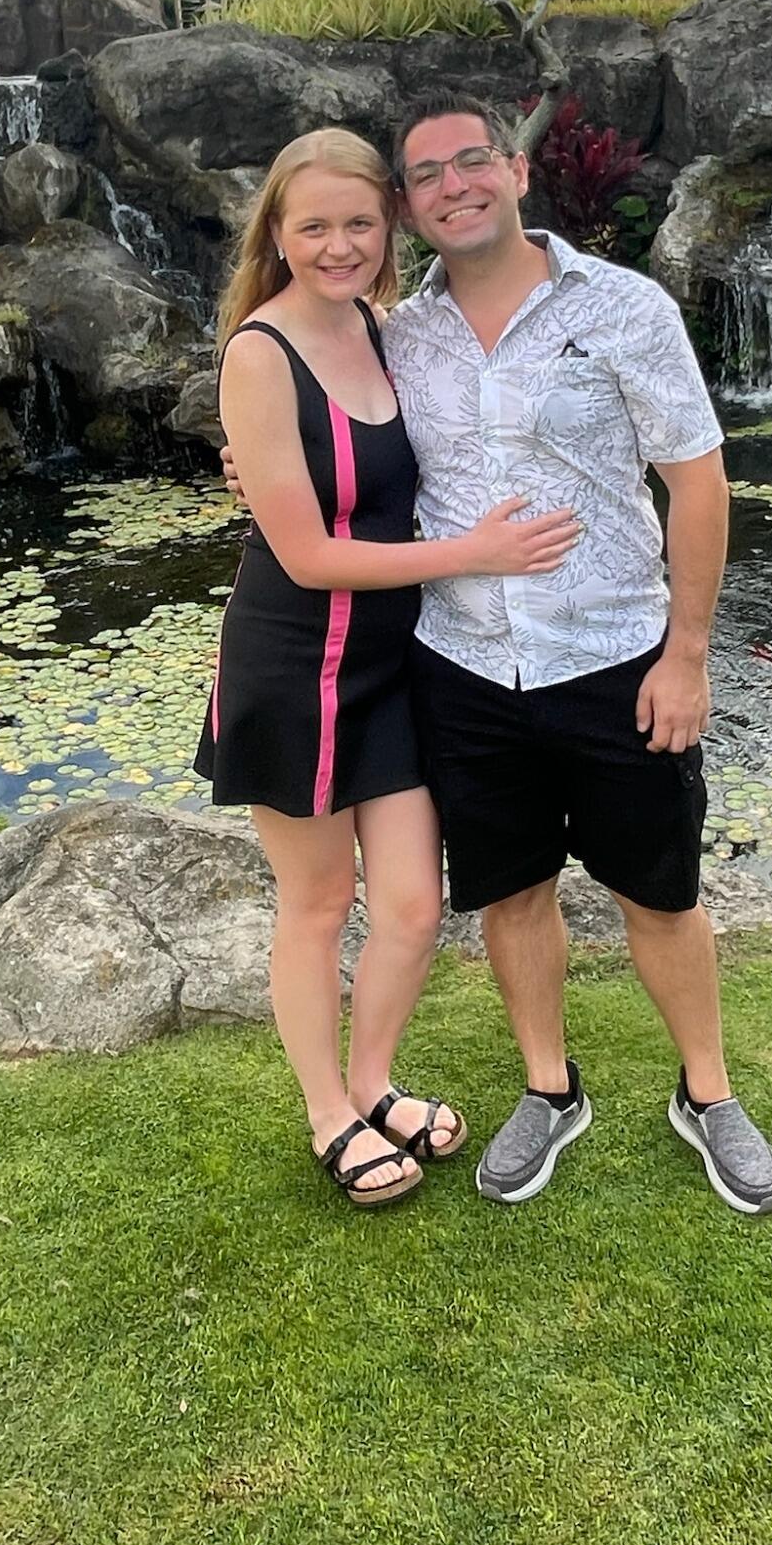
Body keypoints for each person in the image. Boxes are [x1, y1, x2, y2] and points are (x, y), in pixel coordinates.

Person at [196, 128, 584, 1208]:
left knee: (413, 906)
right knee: (317, 904)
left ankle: (373, 1082)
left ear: (390, 227)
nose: (338, 245)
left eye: (359, 222)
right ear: (277, 231)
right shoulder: (259, 353)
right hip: (295, 660)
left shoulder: (383, 327)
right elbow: (309, 552)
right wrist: (476, 554)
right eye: (313, 225)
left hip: (389, 659)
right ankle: (328, 1110)